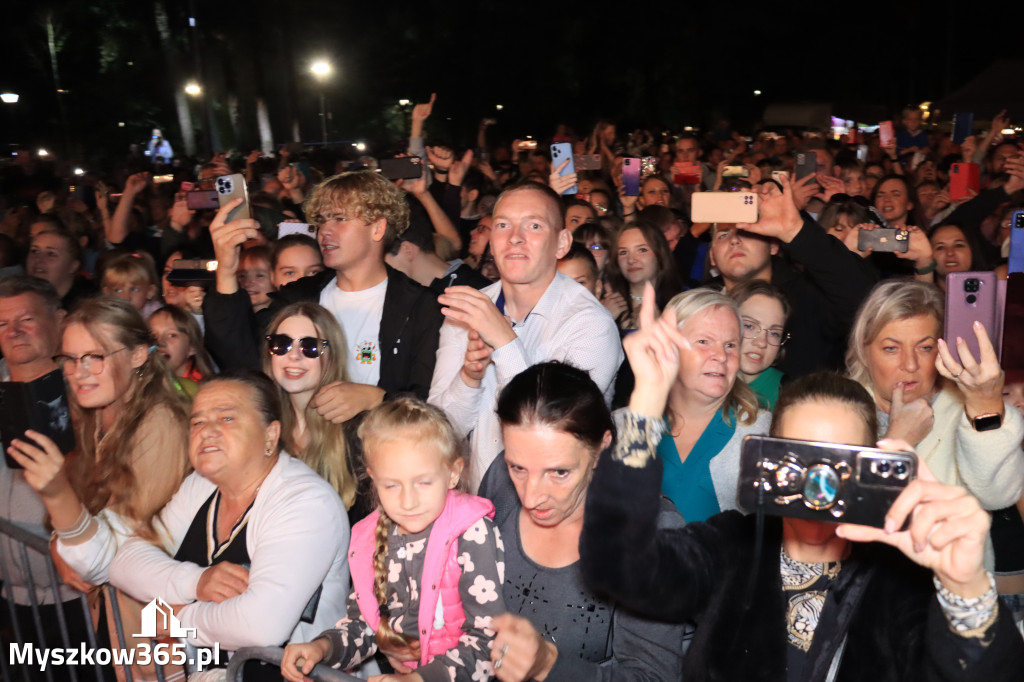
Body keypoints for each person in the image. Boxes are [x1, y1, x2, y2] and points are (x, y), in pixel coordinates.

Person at [580, 292, 1024, 680]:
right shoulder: (733, 545)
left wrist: (966, 586)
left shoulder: (899, 576)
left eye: (841, 459)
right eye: (802, 455)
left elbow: (986, 672)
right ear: (769, 458)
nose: (820, 480)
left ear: (868, 463)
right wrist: (645, 409)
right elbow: (620, 567)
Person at [108, 371, 350, 674]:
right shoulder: (201, 485)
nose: (206, 431)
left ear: (270, 435)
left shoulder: (306, 502)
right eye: (197, 422)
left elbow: (261, 625)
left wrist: (176, 620)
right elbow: (125, 562)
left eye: (226, 419)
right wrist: (197, 581)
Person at [7, 296, 190, 680]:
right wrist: (59, 543)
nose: (79, 372)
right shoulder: (92, 418)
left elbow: (107, 557)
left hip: (160, 630)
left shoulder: (160, 424)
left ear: (138, 355)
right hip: (116, 620)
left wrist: (57, 495)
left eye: (96, 357)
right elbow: (80, 531)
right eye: (71, 359)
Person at [477, 362, 688, 681]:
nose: (532, 497)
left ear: (601, 448)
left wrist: (550, 664)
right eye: (518, 468)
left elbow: (652, 676)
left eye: (559, 472)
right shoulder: (500, 479)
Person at [280, 398, 504, 682]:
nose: (408, 501)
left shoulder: (473, 533)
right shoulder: (369, 541)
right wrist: (322, 647)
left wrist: (419, 679)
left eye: (423, 482)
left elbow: (489, 642)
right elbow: (364, 626)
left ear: (453, 473)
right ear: (373, 479)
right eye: (391, 485)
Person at [429, 181, 622, 490]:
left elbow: (551, 431)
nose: (515, 238)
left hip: (560, 506)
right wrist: (469, 377)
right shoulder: (470, 309)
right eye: (503, 225)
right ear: (491, 242)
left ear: (561, 244)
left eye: (533, 225)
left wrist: (505, 342)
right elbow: (440, 432)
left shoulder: (590, 323)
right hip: (483, 508)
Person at [203, 171, 443, 420]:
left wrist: (376, 399)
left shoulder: (420, 307)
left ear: (378, 228)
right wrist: (227, 270)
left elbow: (433, 404)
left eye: (339, 219)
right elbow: (241, 356)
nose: (324, 231)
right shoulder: (300, 297)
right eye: (322, 220)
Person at [846, 279, 1024, 513]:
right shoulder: (837, 410)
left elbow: (999, 496)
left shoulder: (964, 411)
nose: (910, 365)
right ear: (864, 350)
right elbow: (834, 513)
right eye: (891, 348)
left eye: (925, 347)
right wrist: (899, 440)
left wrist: (985, 405)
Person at [709, 173, 880, 376]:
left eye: (747, 232)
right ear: (712, 256)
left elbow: (866, 299)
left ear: (773, 246)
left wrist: (794, 230)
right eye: (723, 234)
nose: (735, 240)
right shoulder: (699, 306)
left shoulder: (807, 298)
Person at [652, 288, 770, 522]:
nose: (721, 356)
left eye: (730, 345)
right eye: (704, 341)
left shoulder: (762, 433)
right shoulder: (624, 426)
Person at [262, 301, 361, 514]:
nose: (294, 355)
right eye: (282, 344)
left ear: (332, 357)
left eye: (310, 347)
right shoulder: (259, 424)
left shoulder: (357, 431)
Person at [603, 220, 681, 329]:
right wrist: (603, 319)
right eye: (623, 252)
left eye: (642, 250)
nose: (631, 260)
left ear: (660, 254)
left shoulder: (682, 303)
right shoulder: (606, 305)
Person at [728, 279, 790, 409]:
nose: (761, 343)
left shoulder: (791, 395)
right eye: (749, 326)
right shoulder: (696, 381)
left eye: (774, 333)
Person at [148, 304, 214, 391]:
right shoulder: (144, 381)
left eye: (172, 335)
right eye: (153, 336)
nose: (160, 342)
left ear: (192, 347)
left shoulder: (202, 390)